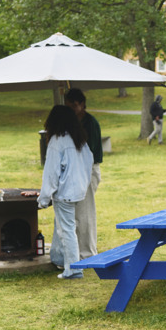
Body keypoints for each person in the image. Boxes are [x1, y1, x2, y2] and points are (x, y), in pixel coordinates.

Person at [37, 105, 94, 280]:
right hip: (78, 192)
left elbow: (51, 172)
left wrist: (43, 199)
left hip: (65, 194)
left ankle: (73, 269)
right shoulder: (79, 139)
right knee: (69, 229)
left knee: (67, 231)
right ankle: (68, 264)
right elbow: (89, 162)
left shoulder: (57, 141)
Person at [66, 88, 102, 259]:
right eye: (68, 106)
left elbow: (89, 152)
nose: (71, 109)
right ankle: (75, 250)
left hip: (88, 170)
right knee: (74, 214)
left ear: (81, 104)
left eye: (73, 106)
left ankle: (87, 253)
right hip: (74, 171)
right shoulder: (71, 122)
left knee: (85, 213)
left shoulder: (90, 123)